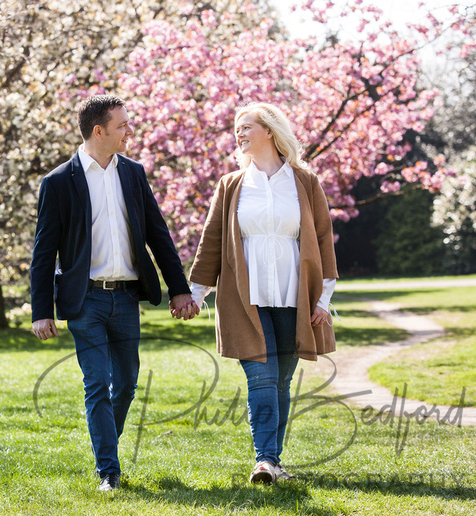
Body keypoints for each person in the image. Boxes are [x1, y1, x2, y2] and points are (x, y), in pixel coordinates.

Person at [30, 95, 199, 492]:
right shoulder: (58, 182)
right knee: (96, 381)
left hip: (126, 297)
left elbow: (159, 234)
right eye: (123, 125)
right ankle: (109, 470)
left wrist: (179, 289)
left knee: (125, 383)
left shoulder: (134, 174)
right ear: (99, 131)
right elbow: (43, 252)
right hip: (84, 300)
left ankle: (106, 446)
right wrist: (42, 310)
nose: (130, 131)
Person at [188, 102, 338, 484]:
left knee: (281, 381)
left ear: (269, 131)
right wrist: (195, 293)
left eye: (246, 126)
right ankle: (265, 460)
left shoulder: (305, 182)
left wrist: (323, 300)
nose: (239, 134)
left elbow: (323, 240)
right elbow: (211, 244)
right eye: (236, 129)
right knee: (261, 378)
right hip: (245, 300)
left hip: (294, 298)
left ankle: (274, 461)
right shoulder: (232, 184)